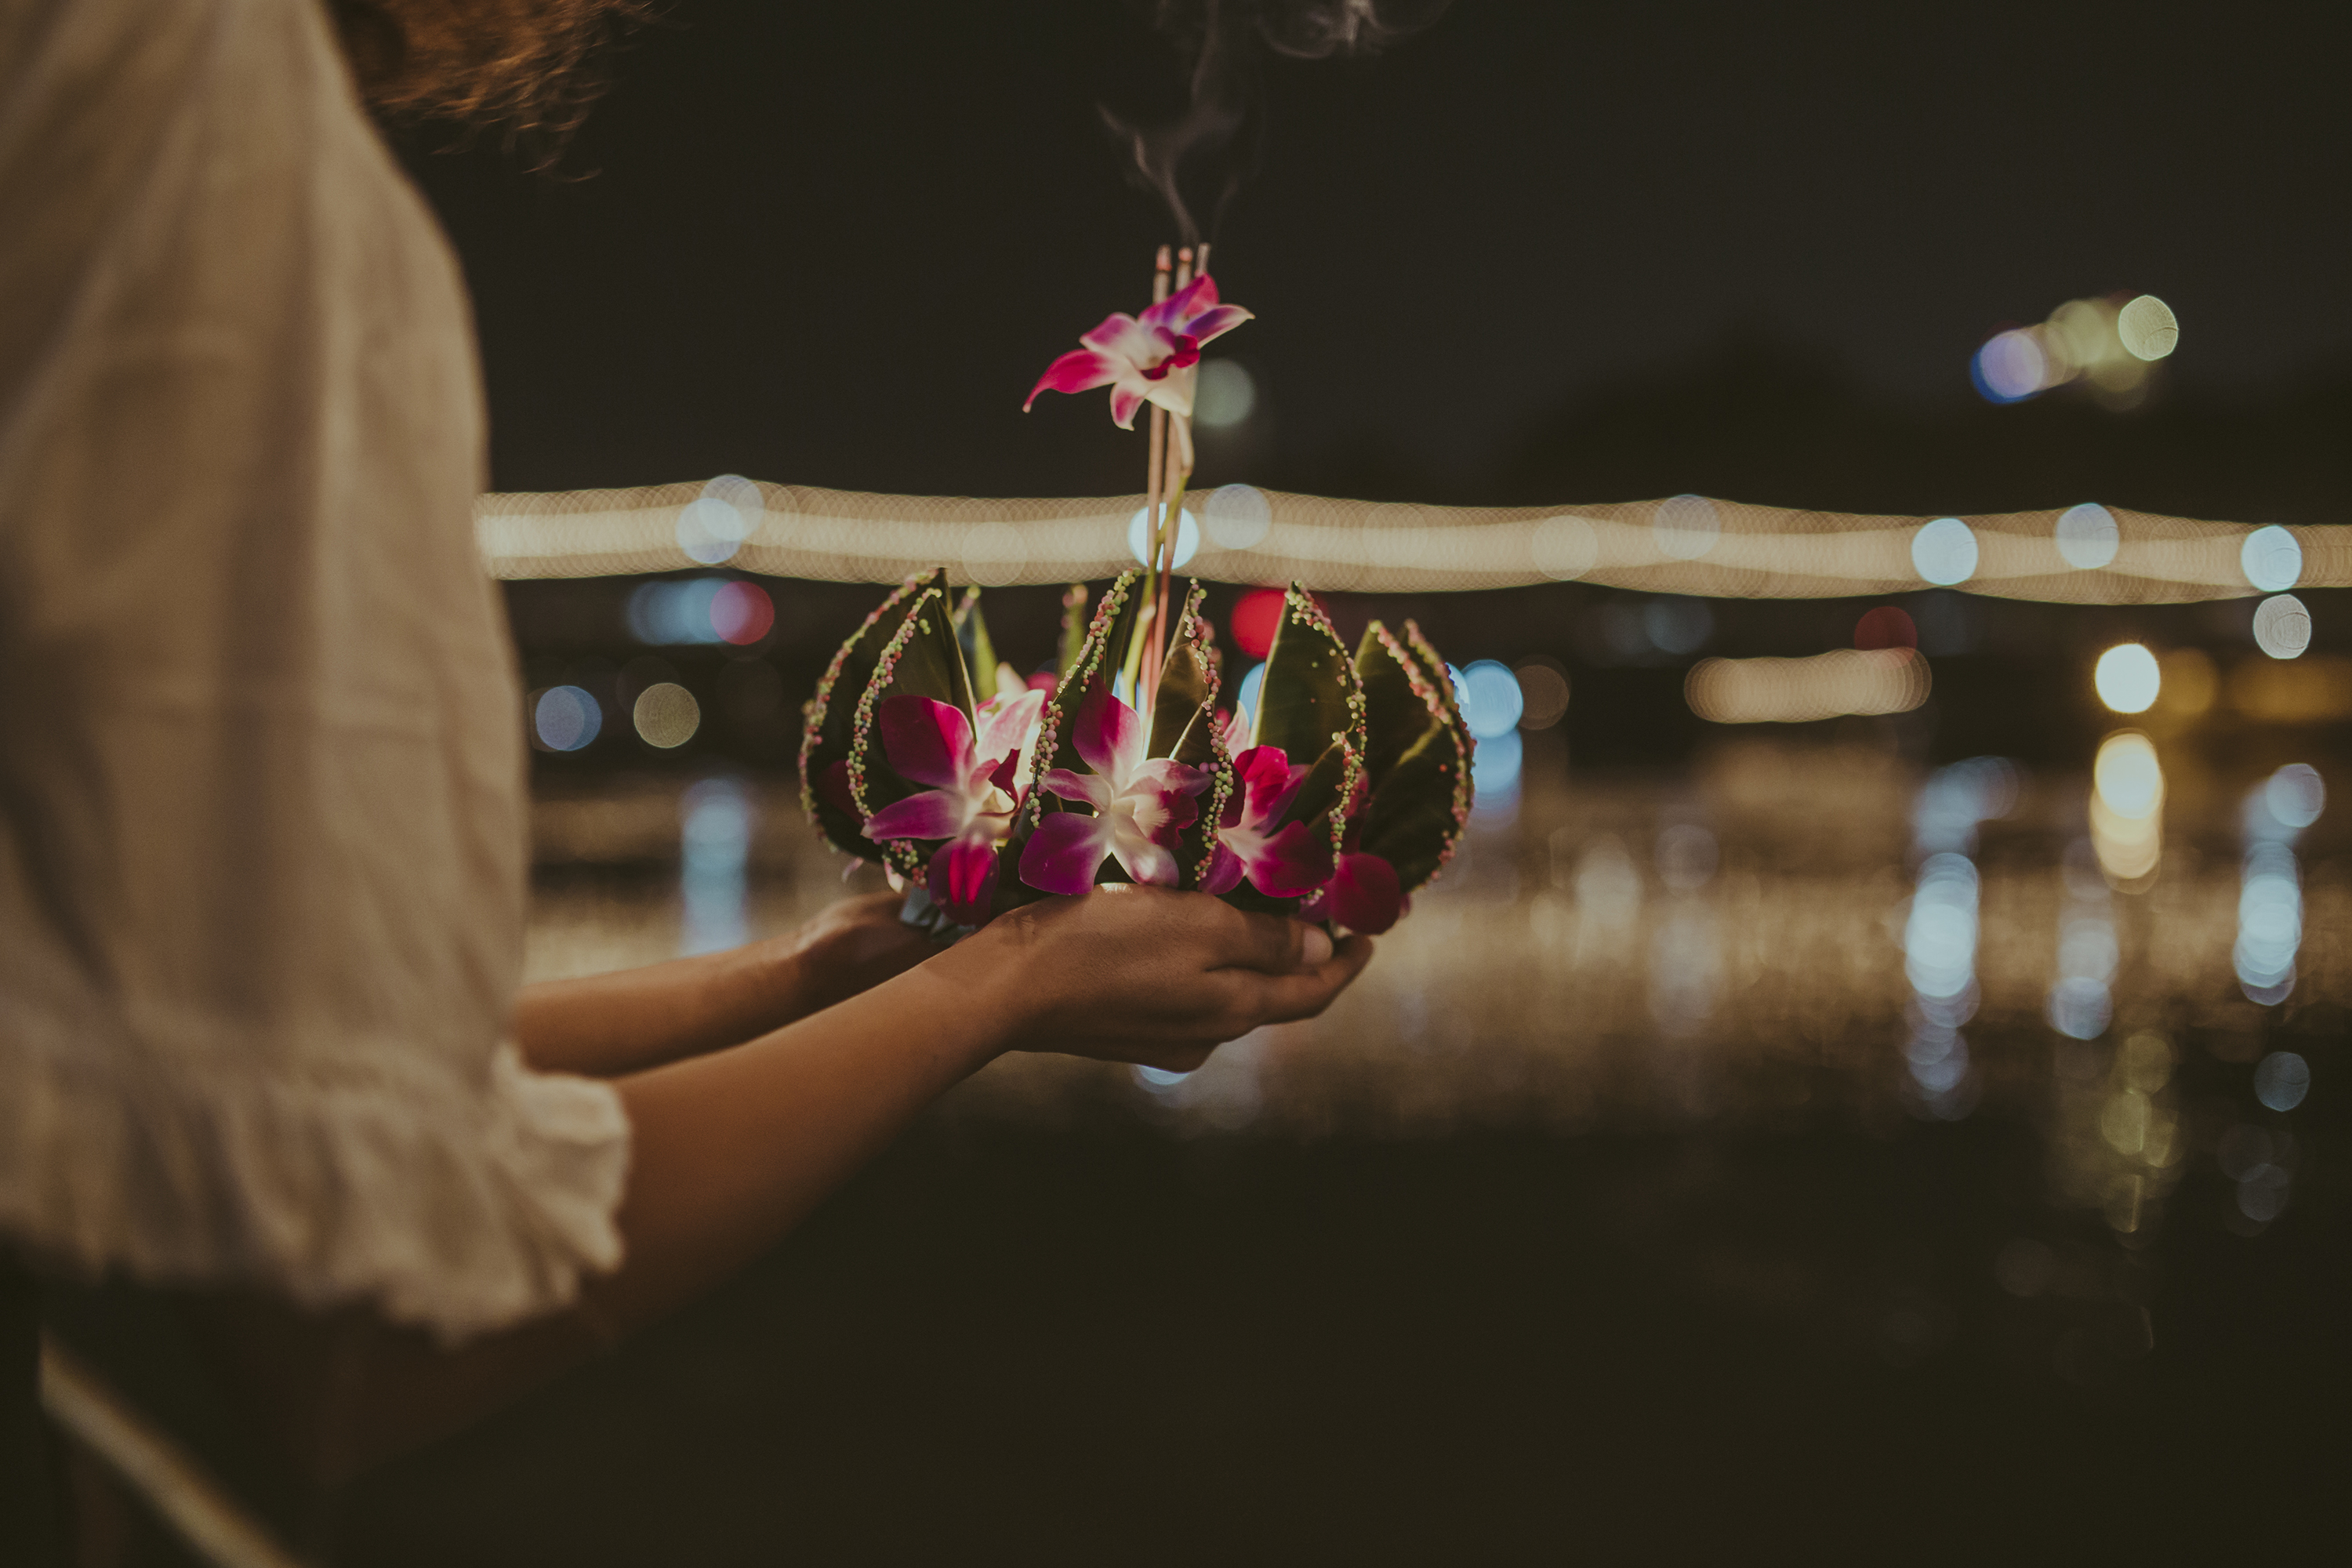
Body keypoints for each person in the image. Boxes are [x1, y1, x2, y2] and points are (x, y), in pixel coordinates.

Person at [0, 0, 1373, 1548]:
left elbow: (273, 1085)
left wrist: (828, 970)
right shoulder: (205, 120)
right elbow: (352, 1316)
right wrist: (1005, 989)